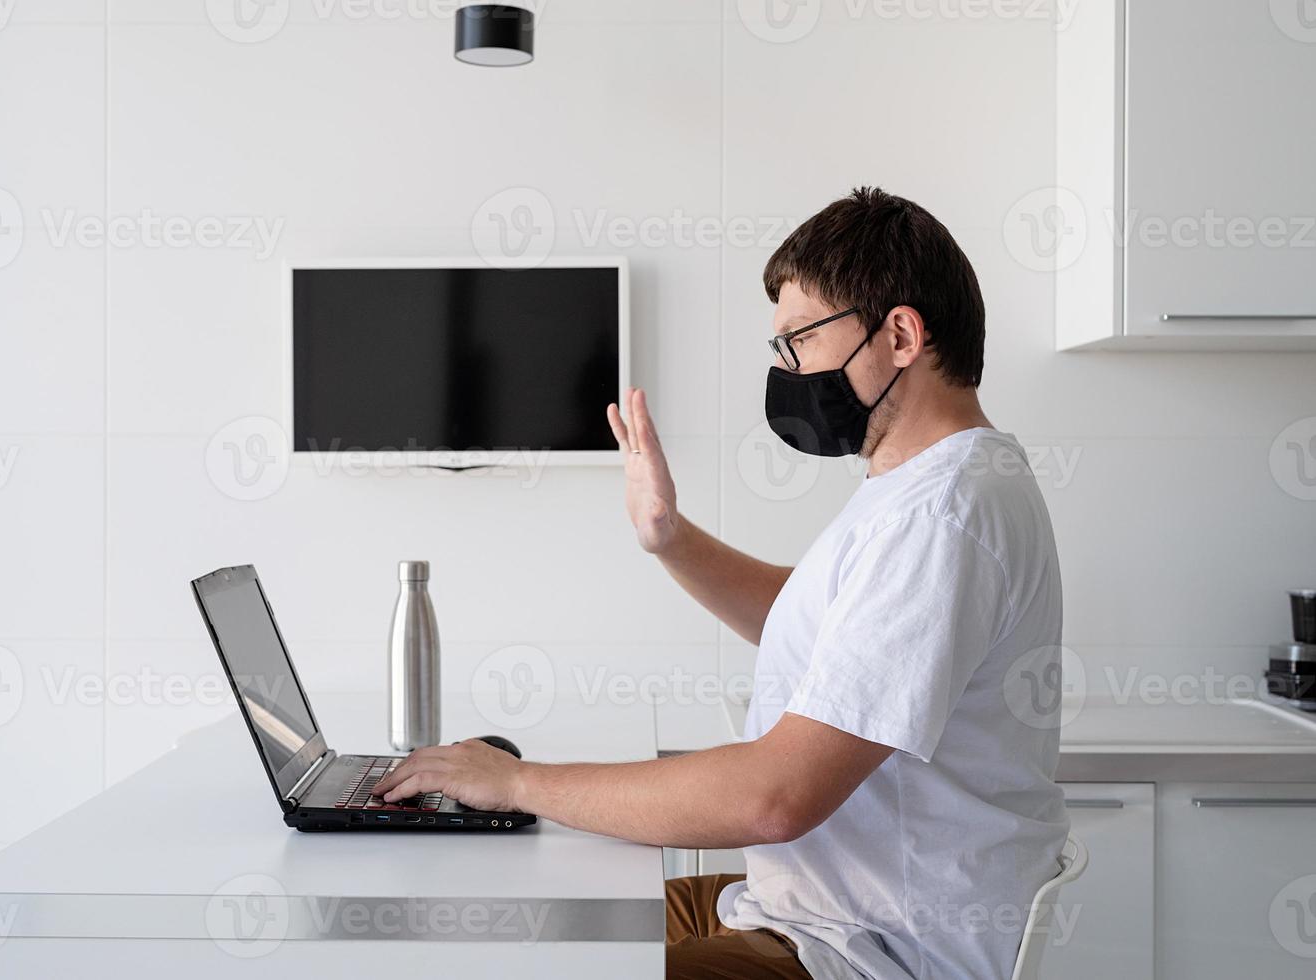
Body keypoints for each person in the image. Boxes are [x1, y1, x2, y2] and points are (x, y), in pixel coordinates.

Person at [375, 187, 1069, 980]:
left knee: (546, 952)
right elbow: (819, 625)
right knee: (535, 914)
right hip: (809, 906)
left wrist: (519, 781)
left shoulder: (943, 513)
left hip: (868, 948)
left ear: (902, 334)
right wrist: (669, 539)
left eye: (798, 340)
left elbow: (774, 797)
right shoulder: (925, 487)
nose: (786, 370)